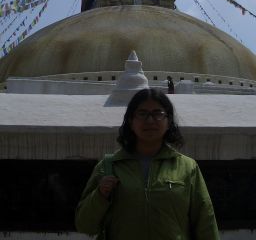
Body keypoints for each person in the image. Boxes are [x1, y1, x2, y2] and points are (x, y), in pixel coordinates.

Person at [75, 88, 219, 240]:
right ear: (131, 121)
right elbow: (84, 225)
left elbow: (205, 222)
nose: (150, 121)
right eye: (142, 114)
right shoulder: (109, 167)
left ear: (168, 121)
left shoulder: (187, 167)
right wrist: (100, 195)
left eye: (157, 113)